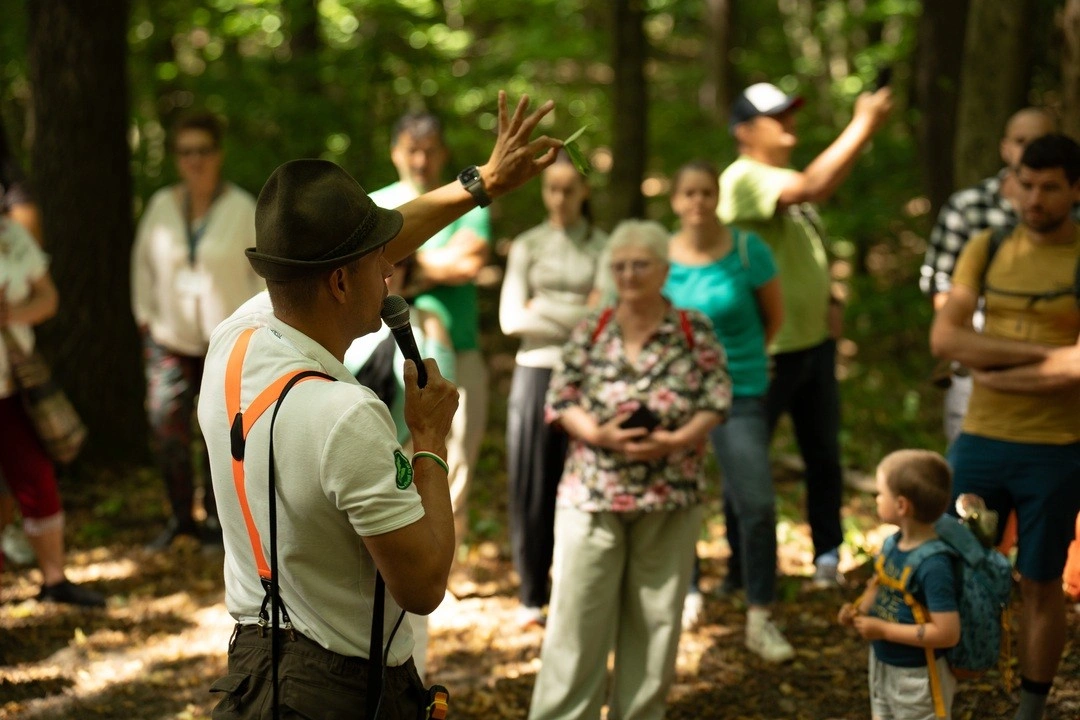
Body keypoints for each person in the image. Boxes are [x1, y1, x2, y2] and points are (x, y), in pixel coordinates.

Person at [197, 93, 559, 717]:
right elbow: (421, 587)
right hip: (342, 692)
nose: (392, 273)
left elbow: (377, 245)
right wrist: (429, 443)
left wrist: (480, 184)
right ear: (341, 281)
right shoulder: (345, 415)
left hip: (255, 672)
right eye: (380, 265)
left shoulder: (235, 341)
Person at [528, 220, 731, 720]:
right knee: (576, 622)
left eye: (641, 264)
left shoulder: (692, 328)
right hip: (592, 494)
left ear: (664, 269)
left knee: (656, 622)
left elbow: (717, 394)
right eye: (619, 265)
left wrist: (680, 438)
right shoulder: (593, 327)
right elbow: (560, 398)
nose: (629, 274)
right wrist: (599, 434)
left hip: (671, 493)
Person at [930, 134, 1080, 720]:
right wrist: (1048, 363)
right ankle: (940, 696)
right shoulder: (987, 246)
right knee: (948, 561)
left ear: (1074, 189)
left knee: (1041, 584)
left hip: (1058, 449)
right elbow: (945, 338)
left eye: (1049, 187)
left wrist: (993, 367)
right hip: (981, 441)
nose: (1034, 198)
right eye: (1026, 183)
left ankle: (1030, 710)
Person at [719, 81, 892, 586]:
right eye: (777, 116)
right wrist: (865, 122)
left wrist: (831, 299)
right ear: (744, 131)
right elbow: (816, 185)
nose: (789, 122)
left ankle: (827, 556)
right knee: (747, 464)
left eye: (791, 111)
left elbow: (802, 245)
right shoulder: (743, 178)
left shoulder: (780, 178)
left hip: (813, 345)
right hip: (767, 352)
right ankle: (742, 570)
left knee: (824, 456)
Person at [663, 160, 790, 660]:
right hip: (678, 396)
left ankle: (760, 614)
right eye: (688, 193)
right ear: (676, 201)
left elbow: (772, 318)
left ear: (717, 197)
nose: (698, 202)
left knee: (756, 502)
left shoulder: (746, 249)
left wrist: (741, 367)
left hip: (741, 393)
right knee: (680, 499)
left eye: (706, 192)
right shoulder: (663, 256)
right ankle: (688, 592)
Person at [131, 111, 264, 550]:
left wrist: (252, 331)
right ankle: (179, 518)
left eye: (203, 151)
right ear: (176, 158)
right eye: (186, 152)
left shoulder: (242, 208)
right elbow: (142, 267)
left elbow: (260, 277)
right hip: (168, 339)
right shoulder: (161, 207)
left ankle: (216, 523)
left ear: (218, 154)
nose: (195, 160)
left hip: (225, 344)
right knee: (166, 425)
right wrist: (146, 317)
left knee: (221, 431)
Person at [370, 113, 492, 552]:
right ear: (395, 152)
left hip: (460, 346)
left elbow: (470, 262)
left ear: (443, 154)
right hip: (382, 351)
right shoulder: (375, 202)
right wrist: (436, 264)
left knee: (457, 452)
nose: (420, 159)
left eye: (430, 150)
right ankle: (403, 550)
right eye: (412, 149)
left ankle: (445, 555)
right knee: (392, 451)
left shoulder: (462, 201)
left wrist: (405, 261)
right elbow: (370, 267)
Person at [498, 150, 608, 628]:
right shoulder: (526, 245)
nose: (559, 198)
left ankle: (578, 589)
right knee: (532, 482)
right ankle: (530, 592)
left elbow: (604, 319)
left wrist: (543, 307)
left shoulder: (604, 246)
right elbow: (509, 319)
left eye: (569, 188)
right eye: (551, 188)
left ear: (585, 191)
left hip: (587, 375)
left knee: (585, 483)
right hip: (535, 371)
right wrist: (577, 310)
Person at [920, 108, 1073, 446]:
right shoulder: (969, 206)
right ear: (1005, 148)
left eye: (1039, 141)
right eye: (1021, 141)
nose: (1029, 149)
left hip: (1059, 383)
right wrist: (978, 350)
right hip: (975, 366)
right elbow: (942, 285)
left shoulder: (1071, 214)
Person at [342, 252, 455, 683]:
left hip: (410, 461)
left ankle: (412, 681)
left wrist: (421, 457)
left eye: (400, 264)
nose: (391, 274)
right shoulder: (351, 331)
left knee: (413, 589)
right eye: (383, 265)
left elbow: (442, 399)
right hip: (356, 463)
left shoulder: (428, 324)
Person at [0, 215, 105, 607]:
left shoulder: (10, 235)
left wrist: (11, 314)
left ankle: (54, 581)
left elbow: (48, 297)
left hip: (13, 380)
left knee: (36, 475)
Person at [838, 449, 960, 720]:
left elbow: (947, 634)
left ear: (902, 505)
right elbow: (881, 584)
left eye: (881, 494)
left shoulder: (934, 565)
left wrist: (883, 630)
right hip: (883, 664)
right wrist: (859, 611)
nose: (877, 499)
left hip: (918, 676)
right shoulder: (892, 544)